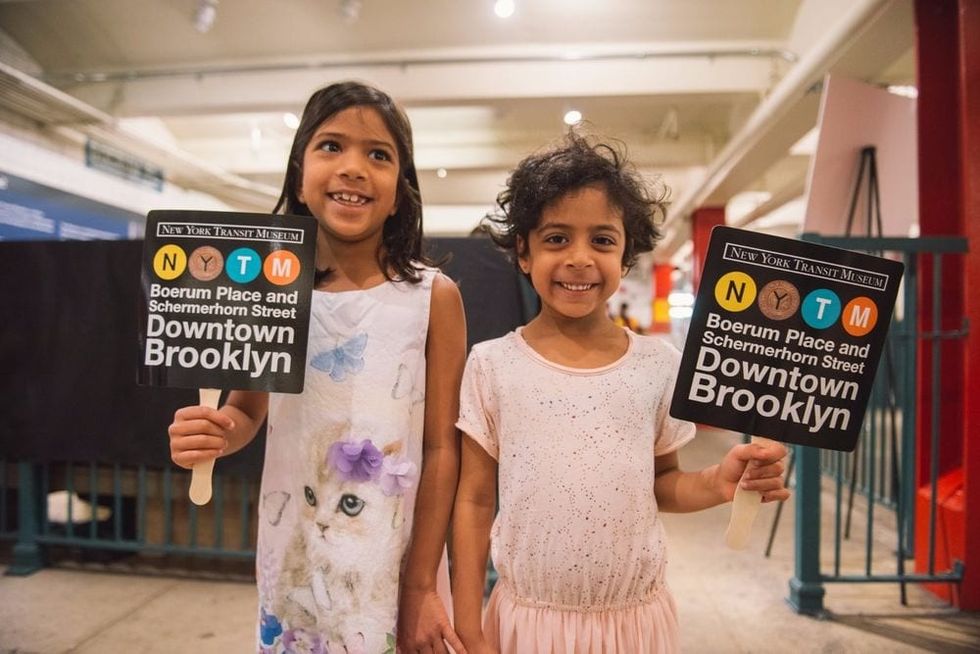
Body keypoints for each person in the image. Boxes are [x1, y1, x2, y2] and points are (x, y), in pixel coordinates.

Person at [451, 132, 789, 653]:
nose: (580, 258)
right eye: (556, 238)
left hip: (634, 623)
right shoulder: (492, 364)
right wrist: (468, 621)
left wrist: (719, 481)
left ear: (626, 255)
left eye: (602, 240)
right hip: (526, 621)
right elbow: (474, 500)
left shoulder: (657, 364)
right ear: (522, 251)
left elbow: (662, 486)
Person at [167, 81, 467, 654]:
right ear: (299, 176)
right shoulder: (269, 289)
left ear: (401, 192)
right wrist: (216, 433)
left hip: (395, 561)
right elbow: (246, 411)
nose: (353, 168)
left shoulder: (436, 297)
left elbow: (442, 449)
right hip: (294, 552)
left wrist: (423, 583)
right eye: (331, 146)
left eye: (378, 154)